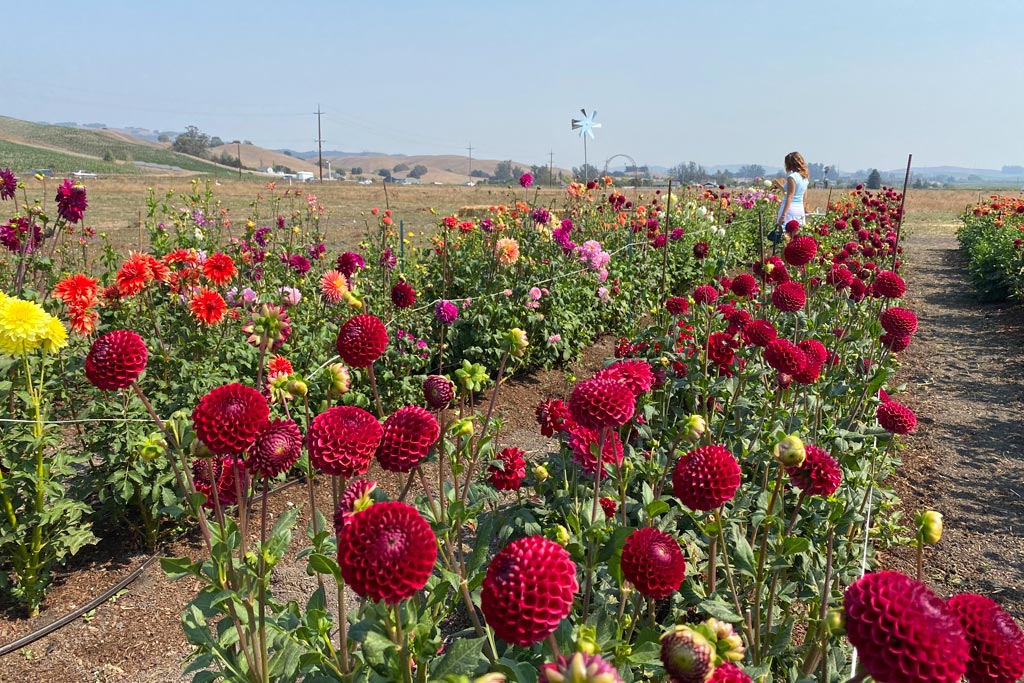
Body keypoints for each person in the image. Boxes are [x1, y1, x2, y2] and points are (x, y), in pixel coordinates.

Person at [773, 151, 810, 229]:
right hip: (799, 209)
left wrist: (783, 215)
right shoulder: (804, 177)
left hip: (789, 210)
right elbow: (805, 197)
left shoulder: (792, 177)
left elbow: (790, 196)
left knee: (784, 236)